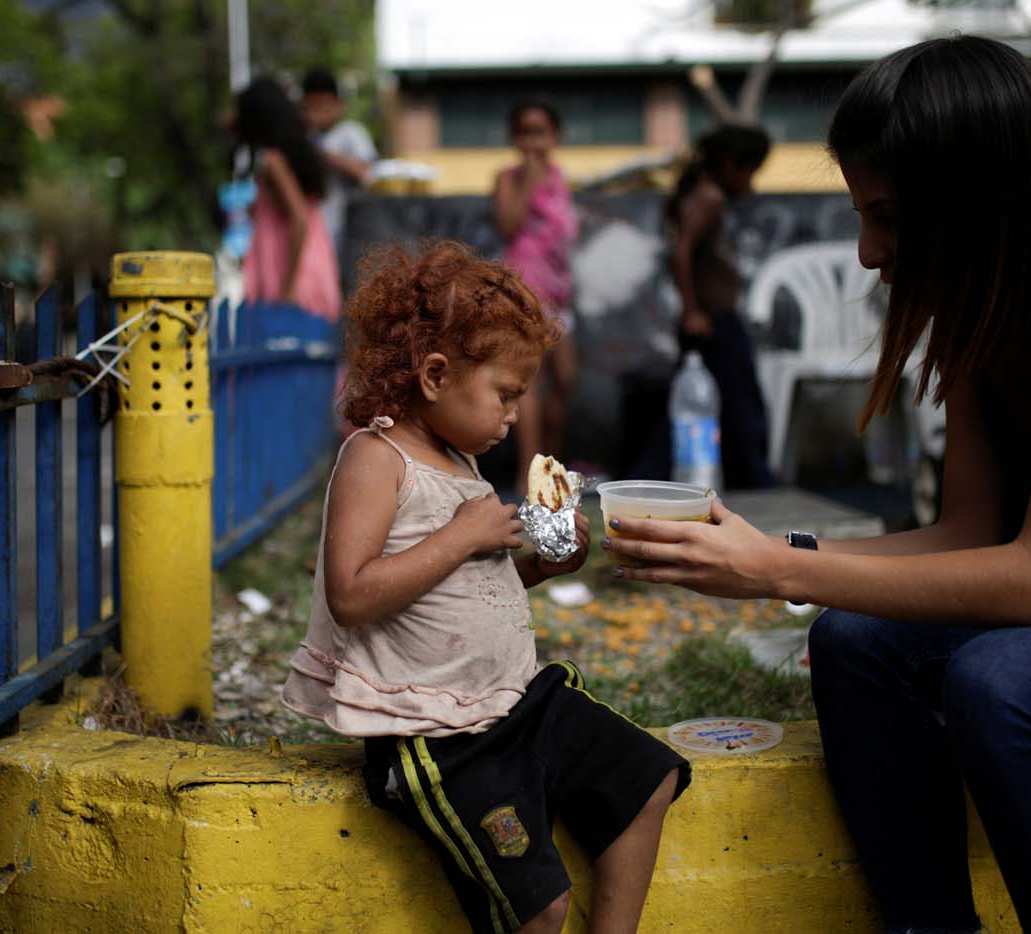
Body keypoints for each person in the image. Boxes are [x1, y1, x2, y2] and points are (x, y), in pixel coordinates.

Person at [601, 35, 1031, 934]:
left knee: (1002, 679)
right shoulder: (992, 310)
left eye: (894, 218)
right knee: (857, 639)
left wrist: (775, 572)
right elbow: (969, 536)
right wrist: (764, 550)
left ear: (981, 201)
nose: (869, 253)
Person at [282, 241, 690, 934]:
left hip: (514, 702)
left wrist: (539, 566)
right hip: (437, 734)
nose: (512, 416)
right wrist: (462, 537)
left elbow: (458, 586)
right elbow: (351, 593)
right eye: (506, 395)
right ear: (436, 375)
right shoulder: (375, 459)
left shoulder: (460, 455)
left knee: (647, 779)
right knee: (539, 907)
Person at [665, 125, 774, 489]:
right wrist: (692, 311)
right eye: (748, 170)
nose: (749, 181)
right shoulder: (709, 197)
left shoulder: (707, 195)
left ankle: (747, 477)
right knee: (741, 407)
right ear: (729, 164)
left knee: (722, 406)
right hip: (711, 323)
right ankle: (755, 481)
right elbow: (680, 252)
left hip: (715, 319)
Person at [492, 100, 579, 490]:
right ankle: (530, 475)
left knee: (566, 378)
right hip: (526, 289)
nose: (533, 140)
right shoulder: (509, 178)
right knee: (530, 380)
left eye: (540, 132)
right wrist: (528, 177)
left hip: (558, 294)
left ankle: (551, 465)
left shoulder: (560, 179)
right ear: (514, 138)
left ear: (555, 137)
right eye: (525, 132)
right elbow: (509, 225)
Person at [233, 76, 341, 320]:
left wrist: (289, 287)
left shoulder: (273, 160)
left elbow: (299, 217)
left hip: (291, 278)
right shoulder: (296, 152)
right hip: (315, 267)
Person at [301, 68, 377, 261]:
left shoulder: (351, 133)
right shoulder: (302, 138)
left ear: (338, 105)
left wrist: (323, 154)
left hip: (349, 230)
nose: (316, 113)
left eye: (322, 106)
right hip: (312, 233)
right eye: (311, 106)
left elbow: (368, 175)